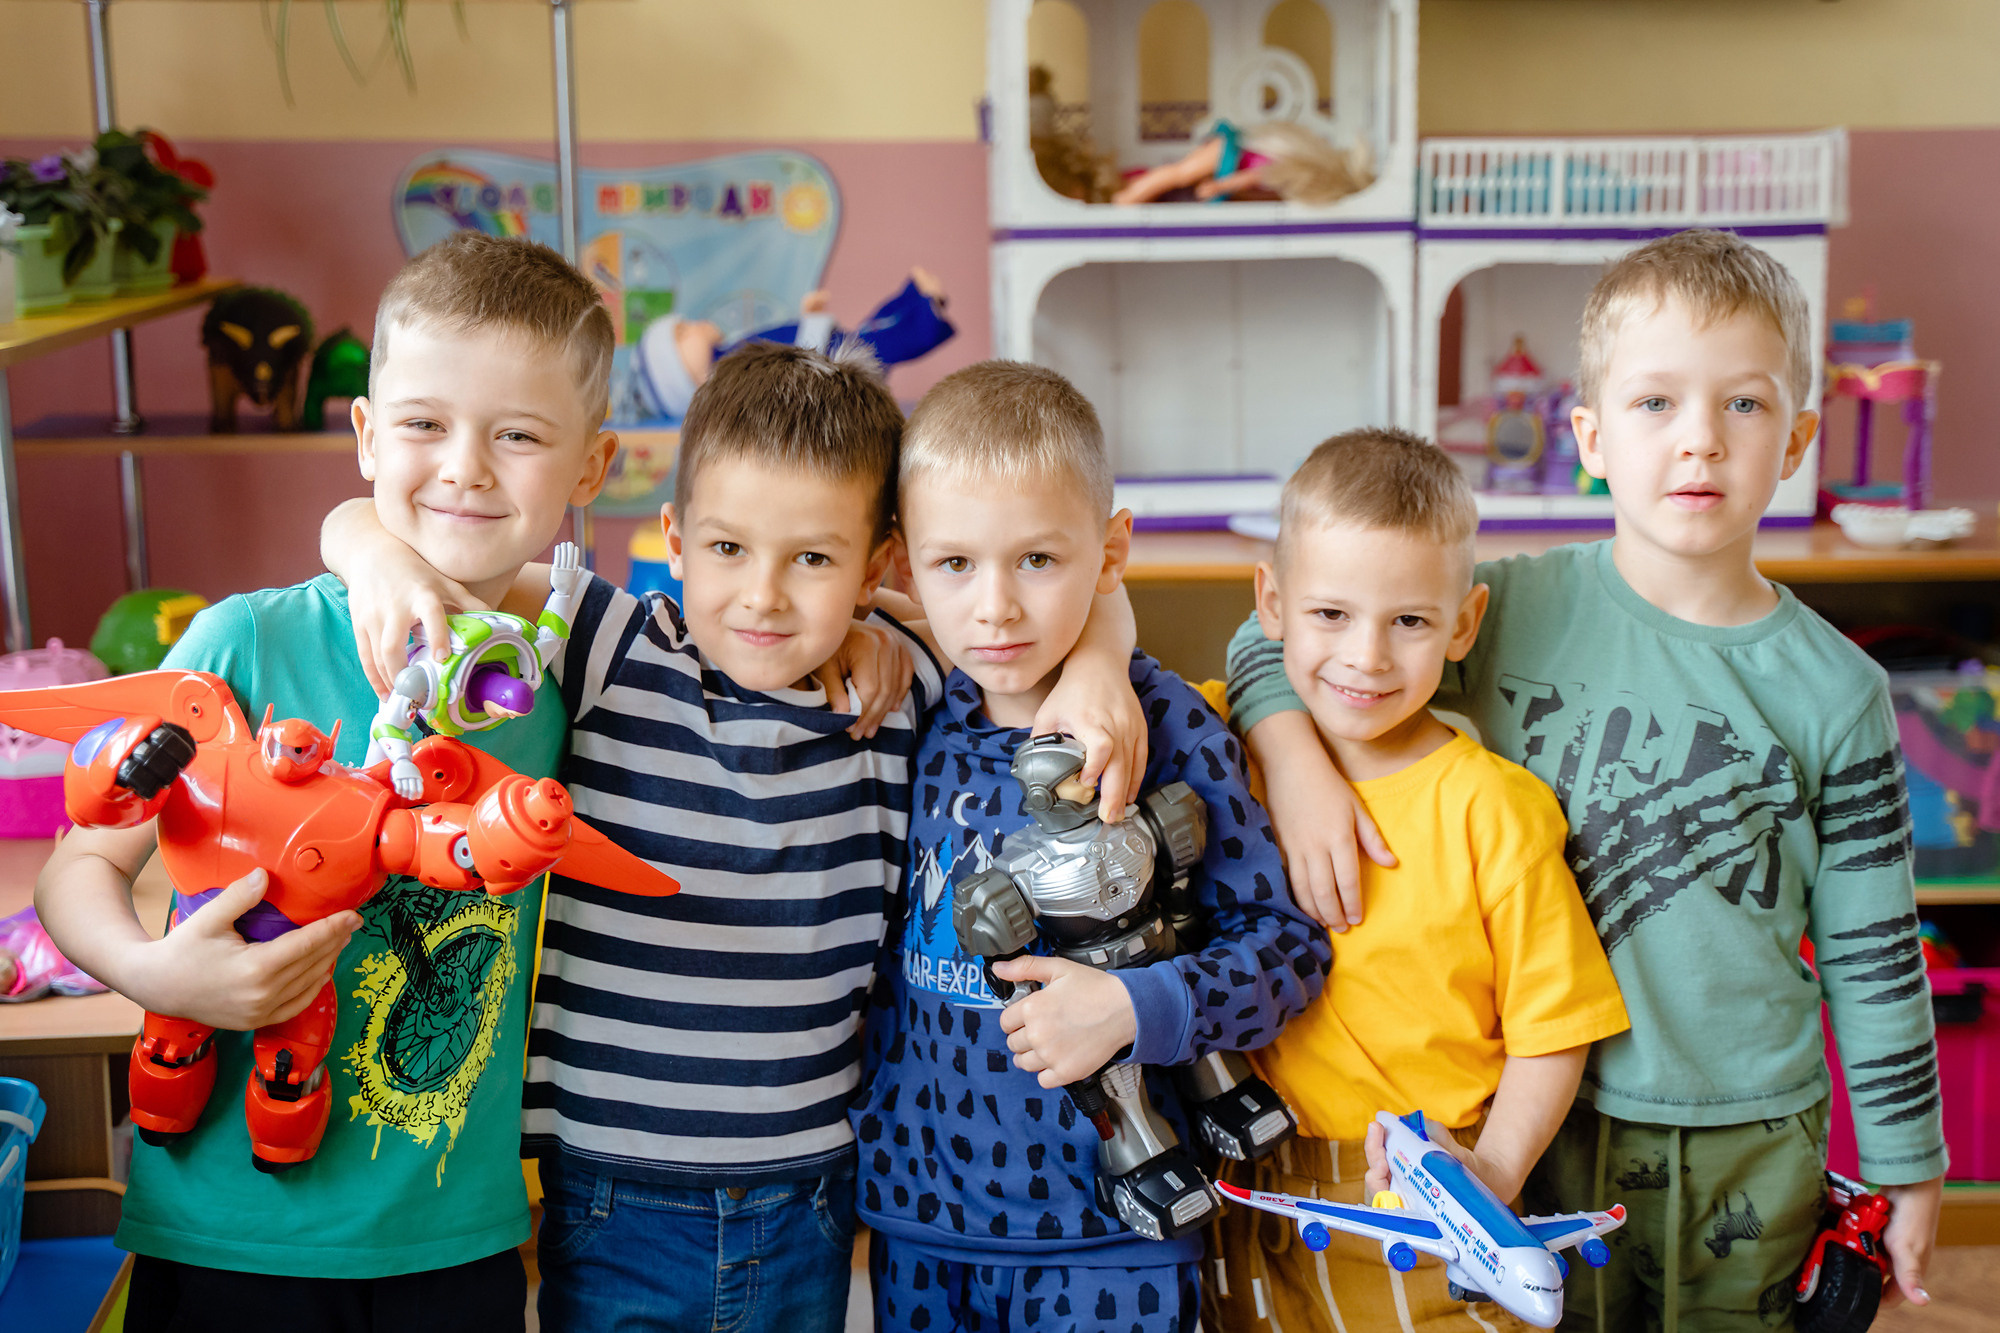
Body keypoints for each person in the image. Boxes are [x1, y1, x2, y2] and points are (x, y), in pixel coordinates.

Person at [325, 341, 1150, 1332]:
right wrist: (368, 551)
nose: (761, 594)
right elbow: (388, 531)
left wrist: (1100, 667)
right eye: (726, 549)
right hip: (610, 1189)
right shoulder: (609, 644)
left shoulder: (912, 680)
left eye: (810, 557)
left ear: (876, 562)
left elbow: (1085, 569)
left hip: (808, 1184)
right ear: (671, 538)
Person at [1227, 230, 1947, 1329]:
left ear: (1797, 436)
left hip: (1746, 1132)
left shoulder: (1833, 688)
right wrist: (1290, 756)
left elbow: (1874, 951)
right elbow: (1275, 632)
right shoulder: (1503, 607)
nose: (1698, 442)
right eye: (1655, 403)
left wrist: (1907, 1163)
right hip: (1541, 1116)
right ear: (1590, 436)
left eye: (1742, 406)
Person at [33, 231, 621, 1332]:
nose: (465, 466)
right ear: (362, 434)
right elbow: (83, 862)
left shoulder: (568, 668)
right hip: (223, 1230)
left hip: (455, 1237)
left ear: (591, 466)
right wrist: (155, 974)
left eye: (520, 435)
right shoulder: (244, 640)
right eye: (423, 424)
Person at [851, 360, 1331, 1332]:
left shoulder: (1166, 728)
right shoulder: (900, 709)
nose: (994, 607)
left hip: (1115, 1234)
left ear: (1109, 551)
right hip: (917, 1227)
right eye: (955, 565)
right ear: (902, 563)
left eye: (1037, 560)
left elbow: (1286, 948)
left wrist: (1130, 1004)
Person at [1199, 426, 1630, 1332]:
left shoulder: (1494, 808)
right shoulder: (1216, 749)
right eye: (1330, 614)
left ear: (1463, 624)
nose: (1366, 657)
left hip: (1431, 1192)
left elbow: (1554, 1028)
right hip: (1252, 1189)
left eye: (1409, 621)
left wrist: (1497, 1175)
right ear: (1270, 603)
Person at [630, 267, 954, 421]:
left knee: (873, 332)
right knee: (880, 342)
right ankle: (926, 309)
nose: (694, 326)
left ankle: (918, 297)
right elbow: (786, 374)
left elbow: (781, 350)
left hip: (823, 351)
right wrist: (811, 332)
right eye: (683, 334)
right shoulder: (732, 372)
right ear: (683, 377)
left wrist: (809, 319)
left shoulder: (732, 356)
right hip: (827, 364)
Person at [1111, 120, 1371, 205]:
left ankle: (1130, 187)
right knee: (1179, 174)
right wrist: (1220, 188)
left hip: (1229, 156)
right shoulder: (1295, 173)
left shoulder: (1298, 171)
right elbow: (1254, 177)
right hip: (1228, 155)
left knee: (1178, 177)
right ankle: (1127, 197)